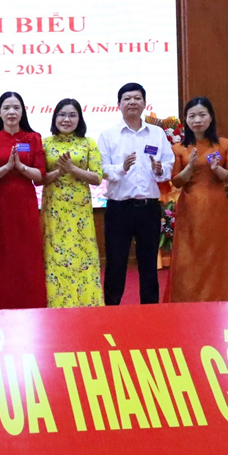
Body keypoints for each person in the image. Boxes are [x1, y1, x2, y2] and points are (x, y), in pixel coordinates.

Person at [98, 82, 174, 305]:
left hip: (148, 208)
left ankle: (150, 311)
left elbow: (168, 164)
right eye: (127, 98)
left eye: (137, 98)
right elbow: (102, 169)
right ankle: (111, 310)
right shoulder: (108, 135)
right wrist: (122, 168)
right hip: (118, 209)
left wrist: (160, 170)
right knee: (116, 263)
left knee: (149, 264)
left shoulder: (157, 134)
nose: (132, 102)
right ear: (119, 105)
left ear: (144, 103)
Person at [0, 92, 48, 309]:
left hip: (24, 202)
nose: (11, 112)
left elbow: (40, 176)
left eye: (16, 108)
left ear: (22, 112)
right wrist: (7, 168)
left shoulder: (33, 138)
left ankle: (30, 302)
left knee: (26, 253)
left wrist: (20, 167)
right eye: (6, 108)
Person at [168, 97, 228, 302]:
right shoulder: (179, 148)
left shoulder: (224, 144)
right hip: (190, 207)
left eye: (202, 115)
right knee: (188, 256)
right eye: (192, 116)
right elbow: (176, 182)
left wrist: (218, 170)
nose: (197, 120)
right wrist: (189, 167)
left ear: (211, 117)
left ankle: (216, 299)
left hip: (215, 206)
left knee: (214, 254)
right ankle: (186, 300)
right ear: (186, 120)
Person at [41, 99, 105, 308]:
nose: (66, 119)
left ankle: (86, 304)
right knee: (55, 255)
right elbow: (39, 179)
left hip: (80, 210)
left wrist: (72, 170)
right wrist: (59, 172)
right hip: (54, 209)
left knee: (82, 254)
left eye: (72, 115)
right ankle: (56, 304)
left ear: (79, 119)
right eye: (62, 114)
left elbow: (97, 178)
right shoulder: (45, 143)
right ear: (55, 118)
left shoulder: (88, 143)